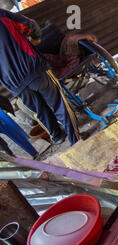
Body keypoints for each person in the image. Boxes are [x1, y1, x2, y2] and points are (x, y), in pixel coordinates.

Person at [0, 9, 81, 145]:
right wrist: (36, 40)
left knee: (40, 111)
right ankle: (75, 139)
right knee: (59, 105)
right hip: (34, 69)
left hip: (15, 84)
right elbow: (30, 25)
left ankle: (57, 136)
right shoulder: (1, 15)